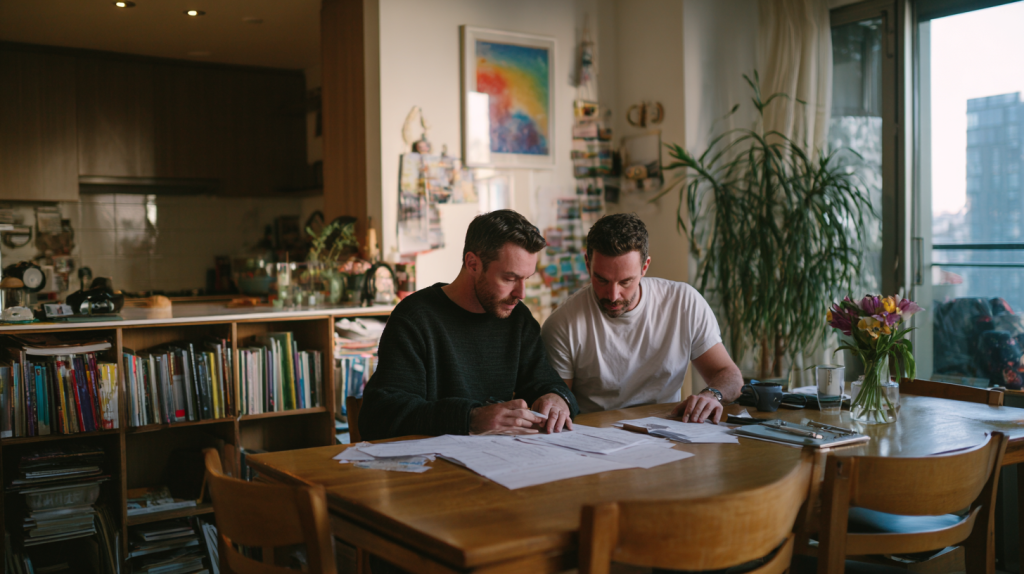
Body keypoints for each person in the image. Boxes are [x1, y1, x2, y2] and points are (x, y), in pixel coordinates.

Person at [359, 209, 578, 442]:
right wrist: (470, 418)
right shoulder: (415, 318)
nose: (521, 293)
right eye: (510, 278)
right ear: (473, 264)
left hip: (502, 464)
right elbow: (379, 415)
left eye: (526, 278)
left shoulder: (518, 319)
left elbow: (544, 381)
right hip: (434, 468)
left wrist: (556, 397)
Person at [541, 213, 743, 423]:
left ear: (645, 267)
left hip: (669, 433)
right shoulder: (562, 324)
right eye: (601, 280)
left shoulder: (684, 303)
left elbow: (729, 375)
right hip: (598, 439)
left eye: (625, 282)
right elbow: (559, 401)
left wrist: (712, 395)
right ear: (587, 264)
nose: (613, 295)